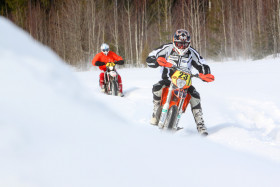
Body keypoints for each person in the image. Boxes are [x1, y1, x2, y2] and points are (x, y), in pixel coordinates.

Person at [146, 29, 215, 135]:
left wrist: (205, 73)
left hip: (185, 83)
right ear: (174, 41)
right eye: (179, 44)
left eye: (184, 44)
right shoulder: (167, 48)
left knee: (195, 96)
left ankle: (200, 124)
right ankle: (155, 111)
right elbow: (151, 55)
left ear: (188, 43)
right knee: (157, 87)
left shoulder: (192, 52)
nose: (182, 46)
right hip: (168, 79)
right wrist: (156, 61)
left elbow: (202, 63)